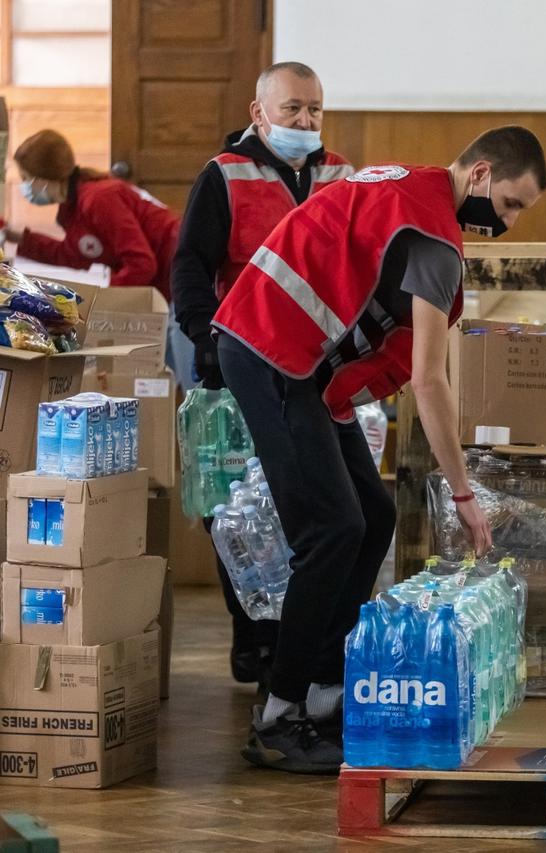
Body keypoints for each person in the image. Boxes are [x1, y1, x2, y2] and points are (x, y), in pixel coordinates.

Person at [212, 126, 546, 773]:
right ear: (479, 174)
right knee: (332, 529)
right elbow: (428, 378)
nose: (505, 224)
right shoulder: (435, 242)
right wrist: (465, 492)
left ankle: (326, 689)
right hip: (268, 347)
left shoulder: (409, 186)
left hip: (296, 355)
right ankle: (280, 715)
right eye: (509, 204)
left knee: (374, 515)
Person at [171, 61, 352, 694]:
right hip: (240, 359)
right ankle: (254, 635)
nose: (306, 121)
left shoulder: (339, 176)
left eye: (315, 110)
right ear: (259, 113)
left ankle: (297, 640)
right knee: (238, 508)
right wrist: (203, 338)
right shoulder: (225, 176)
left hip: (314, 368)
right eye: (292, 109)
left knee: (302, 505)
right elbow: (191, 264)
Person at [5, 129, 179, 296]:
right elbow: (73, 254)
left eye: (26, 179)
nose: (24, 187)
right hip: (170, 279)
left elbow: (141, 264)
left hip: (179, 273)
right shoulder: (75, 209)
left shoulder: (98, 199)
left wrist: (103, 300)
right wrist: (19, 239)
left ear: (44, 177)